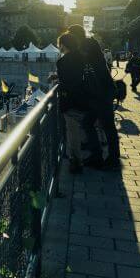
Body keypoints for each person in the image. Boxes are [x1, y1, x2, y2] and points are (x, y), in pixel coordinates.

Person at [66, 25, 121, 171]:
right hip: (95, 94)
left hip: (102, 92)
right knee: (88, 123)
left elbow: (81, 61)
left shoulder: (88, 44)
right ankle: (96, 156)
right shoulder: (84, 46)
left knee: (107, 126)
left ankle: (113, 159)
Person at [56, 31, 93, 173]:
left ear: (63, 45)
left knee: (72, 132)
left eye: (60, 45)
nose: (59, 47)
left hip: (70, 101)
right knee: (81, 129)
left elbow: (65, 81)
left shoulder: (62, 62)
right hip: (85, 98)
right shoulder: (83, 57)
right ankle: (84, 155)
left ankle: (76, 161)